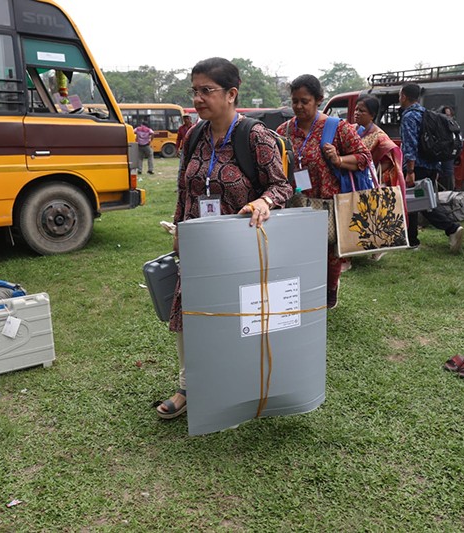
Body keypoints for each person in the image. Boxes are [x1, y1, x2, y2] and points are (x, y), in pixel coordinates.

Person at [155, 57, 293, 419]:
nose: (198, 98)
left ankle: (239, 385)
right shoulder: (193, 136)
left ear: (232, 94)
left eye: (206, 90)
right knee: (191, 314)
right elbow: (184, 189)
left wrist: (264, 201)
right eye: (194, 90)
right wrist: (178, 230)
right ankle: (188, 386)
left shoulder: (256, 136)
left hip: (241, 248)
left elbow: (282, 186)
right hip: (200, 245)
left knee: (239, 317)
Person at [276, 74, 373, 307]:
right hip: (295, 200)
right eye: (294, 101)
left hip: (327, 201)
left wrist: (338, 159)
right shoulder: (284, 130)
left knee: (329, 251)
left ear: (318, 100)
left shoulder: (336, 127)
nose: (298, 106)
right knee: (297, 250)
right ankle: (302, 291)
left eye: (304, 101)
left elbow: (364, 157)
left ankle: (330, 289)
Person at [398, 84, 464, 253]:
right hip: (432, 165)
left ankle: (451, 228)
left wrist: (410, 171)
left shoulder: (409, 117)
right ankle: (412, 240)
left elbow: (410, 144)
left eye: (400, 96)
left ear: (404, 96)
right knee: (417, 202)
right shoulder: (427, 114)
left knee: (419, 203)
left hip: (417, 167)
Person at [354, 95, 406, 214]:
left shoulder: (380, 137)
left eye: (362, 111)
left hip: (368, 182)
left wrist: (368, 173)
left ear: (372, 115)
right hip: (352, 180)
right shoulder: (351, 129)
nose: (357, 113)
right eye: (356, 109)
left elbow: (389, 162)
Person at [436, 105, 456, 192]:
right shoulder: (436, 129)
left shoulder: (454, 128)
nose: (447, 117)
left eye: (449, 115)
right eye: (445, 115)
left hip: (448, 168)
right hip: (440, 168)